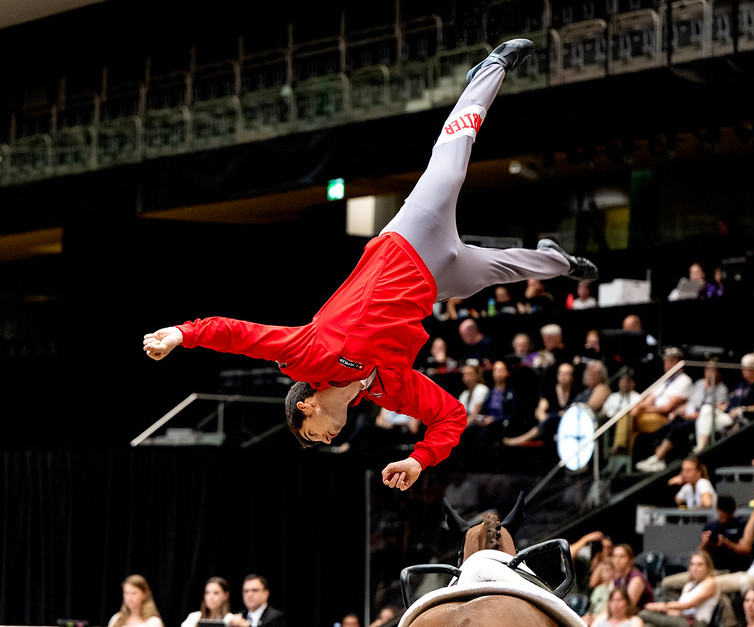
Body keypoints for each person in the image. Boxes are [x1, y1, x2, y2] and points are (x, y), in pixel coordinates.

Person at [142, 39, 598, 492]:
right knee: (507, 268)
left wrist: (183, 334)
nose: (325, 439)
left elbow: (240, 336)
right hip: (435, 282)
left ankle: (488, 71)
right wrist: (421, 460)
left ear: (305, 406)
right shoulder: (388, 391)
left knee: (451, 165)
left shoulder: (308, 354)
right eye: (321, 442)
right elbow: (451, 416)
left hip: (408, 242)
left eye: (313, 434)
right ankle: (559, 261)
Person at [637, 359, 728, 471]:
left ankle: (658, 458)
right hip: (687, 415)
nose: (709, 372)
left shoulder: (721, 389)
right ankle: (659, 462)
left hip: (700, 419)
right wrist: (680, 410)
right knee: (664, 428)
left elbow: (716, 409)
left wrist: (695, 415)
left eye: (712, 370)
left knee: (677, 429)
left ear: (719, 373)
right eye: (707, 369)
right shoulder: (699, 384)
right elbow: (690, 402)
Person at [660, 495, 748, 598]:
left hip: (728, 571)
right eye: (721, 512)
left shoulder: (741, 525)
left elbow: (745, 551)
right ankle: (683, 608)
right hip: (706, 570)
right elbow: (700, 553)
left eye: (726, 513)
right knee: (667, 583)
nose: (723, 515)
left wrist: (728, 543)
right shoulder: (710, 527)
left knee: (712, 589)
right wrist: (704, 543)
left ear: (733, 511)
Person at [633, 348, 693, 471]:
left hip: (667, 416)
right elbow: (647, 401)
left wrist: (646, 409)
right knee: (630, 415)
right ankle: (622, 452)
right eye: (666, 361)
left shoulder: (685, 380)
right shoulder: (663, 381)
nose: (668, 364)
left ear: (679, 363)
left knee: (632, 420)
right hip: (654, 412)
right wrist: (638, 408)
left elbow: (667, 408)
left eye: (671, 361)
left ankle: (655, 459)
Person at [503, 361, 576, 447]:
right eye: (561, 373)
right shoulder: (550, 391)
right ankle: (522, 439)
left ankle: (521, 439)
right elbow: (539, 412)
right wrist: (549, 419)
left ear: (572, 376)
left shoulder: (576, 392)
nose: (563, 376)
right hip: (551, 425)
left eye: (566, 374)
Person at [638, 551, 719, 627]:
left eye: (699, 565)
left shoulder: (710, 583)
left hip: (696, 622)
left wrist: (663, 606)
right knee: (647, 625)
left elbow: (688, 605)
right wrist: (663, 611)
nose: (695, 568)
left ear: (708, 567)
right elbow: (680, 610)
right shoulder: (689, 585)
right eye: (692, 564)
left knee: (643, 614)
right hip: (682, 617)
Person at [461, 359, 518, 449]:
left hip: (499, 424)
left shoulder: (510, 392)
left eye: (501, 370)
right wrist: (481, 418)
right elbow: (482, 411)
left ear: (507, 372)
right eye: (495, 370)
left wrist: (494, 419)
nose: (498, 373)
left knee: (485, 435)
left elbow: (512, 414)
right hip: (486, 422)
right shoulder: (490, 392)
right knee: (469, 432)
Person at [603, 368, 643, 456]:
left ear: (632, 384)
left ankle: (618, 447)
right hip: (610, 421)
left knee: (624, 416)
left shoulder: (636, 397)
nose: (624, 384)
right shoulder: (613, 396)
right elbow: (604, 410)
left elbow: (634, 412)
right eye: (622, 381)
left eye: (627, 382)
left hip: (626, 423)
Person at [611, 543, 654, 610]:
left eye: (622, 556)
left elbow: (627, 609)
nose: (617, 560)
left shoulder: (636, 579)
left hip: (640, 615)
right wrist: (596, 617)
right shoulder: (617, 579)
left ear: (631, 560)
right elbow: (610, 604)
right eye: (614, 556)